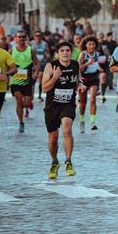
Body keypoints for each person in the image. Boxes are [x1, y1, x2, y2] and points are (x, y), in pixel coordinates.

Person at [42, 41, 86, 179]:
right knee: (53, 139)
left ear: (71, 52)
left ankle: (68, 161)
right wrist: (55, 77)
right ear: (58, 53)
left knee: (67, 129)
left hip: (68, 103)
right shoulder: (51, 66)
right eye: (62, 51)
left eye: (68, 50)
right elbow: (44, 88)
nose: (65, 53)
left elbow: (78, 80)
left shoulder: (75, 64)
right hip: (52, 105)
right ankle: (54, 162)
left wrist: (80, 85)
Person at [9, 30, 40, 133]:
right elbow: (5, 63)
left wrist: (35, 72)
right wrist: (6, 74)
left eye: (23, 37)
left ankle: (26, 105)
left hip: (27, 80)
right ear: (16, 39)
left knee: (26, 102)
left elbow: (37, 63)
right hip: (15, 80)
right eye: (19, 37)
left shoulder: (30, 50)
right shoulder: (11, 51)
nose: (21, 39)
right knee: (18, 99)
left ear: (26, 38)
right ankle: (21, 122)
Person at [78, 35, 103, 132]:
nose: (92, 46)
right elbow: (78, 67)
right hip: (83, 79)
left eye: (93, 44)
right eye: (89, 44)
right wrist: (87, 63)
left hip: (94, 78)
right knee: (83, 102)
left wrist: (100, 69)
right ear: (86, 45)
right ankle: (82, 121)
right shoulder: (83, 54)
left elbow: (97, 64)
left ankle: (93, 123)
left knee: (93, 99)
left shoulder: (97, 54)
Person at [31, 31, 50, 102]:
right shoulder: (31, 43)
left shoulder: (44, 44)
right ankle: (31, 95)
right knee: (33, 79)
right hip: (33, 64)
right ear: (34, 36)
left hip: (42, 63)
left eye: (39, 36)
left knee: (40, 78)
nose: (38, 37)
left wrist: (47, 54)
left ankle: (39, 95)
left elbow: (48, 54)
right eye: (36, 36)